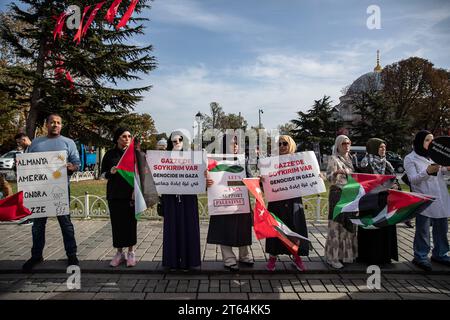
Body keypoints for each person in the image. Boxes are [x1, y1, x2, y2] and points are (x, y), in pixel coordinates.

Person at [22, 114, 80, 272]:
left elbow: (77, 163)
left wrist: (71, 167)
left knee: (66, 224)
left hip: (60, 190)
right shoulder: (36, 143)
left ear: (61, 125)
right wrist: (19, 165)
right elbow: (26, 163)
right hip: (40, 190)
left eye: (58, 123)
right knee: (38, 225)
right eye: (52, 122)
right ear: (46, 124)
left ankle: (72, 255)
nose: (55, 125)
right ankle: (36, 256)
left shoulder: (68, 143)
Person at [206, 134, 254, 272]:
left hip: (240, 200)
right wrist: (206, 182)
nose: (235, 146)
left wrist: (257, 182)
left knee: (243, 228)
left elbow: (250, 177)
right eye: (232, 143)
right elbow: (206, 179)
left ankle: (244, 255)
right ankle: (228, 259)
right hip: (222, 201)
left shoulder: (242, 160)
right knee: (224, 228)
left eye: (237, 143)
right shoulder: (213, 161)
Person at [404, 130, 450, 271]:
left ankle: (440, 254)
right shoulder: (410, 158)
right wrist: (427, 172)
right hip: (424, 198)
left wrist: (446, 169)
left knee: (442, 228)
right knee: (423, 230)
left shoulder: (436, 156)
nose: (431, 143)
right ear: (420, 142)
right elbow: (412, 180)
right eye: (427, 140)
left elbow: (442, 175)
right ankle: (421, 256)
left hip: (440, 196)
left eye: (432, 140)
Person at [264, 135, 308, 272]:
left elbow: (306, 177)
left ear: (291, 145)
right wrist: (262, 179)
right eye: (280, 144)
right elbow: (266, 181)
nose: (282, 146)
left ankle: (297, 258)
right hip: (277, 200)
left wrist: (316, 176)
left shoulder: (299, 161)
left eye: (285, 144)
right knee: (276, 229)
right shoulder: (270, 162)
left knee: (294, 229)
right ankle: (272, 258)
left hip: (294, 201)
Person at [161, 130, 201, 271]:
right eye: (174, 141)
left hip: (188, 197)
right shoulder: (164, 157)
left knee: (189, 227)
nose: (177, 143)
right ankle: (172, 261)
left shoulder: (192, 156)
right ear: (170, 142)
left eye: (179, 140)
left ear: (184, 141)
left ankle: (189, 261)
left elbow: (199, 173)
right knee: (172, 228)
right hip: (171, 198)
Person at [357, 138, 399, 265]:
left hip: (385, 202)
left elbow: (394, 179)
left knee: (385, 229)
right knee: (372, 229)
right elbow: (364, 184)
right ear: (373, 148)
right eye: (380, 147)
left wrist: (395, 186)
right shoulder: (365, 164)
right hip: (371, 203)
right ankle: (369, 257)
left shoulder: (387, 164)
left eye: (384, 147)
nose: (383, 149)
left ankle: (384, 257)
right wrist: (382, 186)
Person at [101, 128, 137, 267]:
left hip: (131, 196)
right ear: (117, 138)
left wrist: (136, 191)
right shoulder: (110, 155)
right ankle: (119, 253)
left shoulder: (134, 154)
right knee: (117, 225)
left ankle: (131, 253)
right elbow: (102, 174)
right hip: (115, 195)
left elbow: (141, 175)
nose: (127, 138)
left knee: (130, 225)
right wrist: (111, 172)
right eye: (123, 136)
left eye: (129, 136)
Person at [324, 135, 358, 269]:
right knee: (336, 226)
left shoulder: (352, 159)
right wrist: (336, 172)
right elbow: (328, 177)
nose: (347, 145)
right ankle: (333, 257)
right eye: (344, 143)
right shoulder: (334, 159)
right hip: (337, 195)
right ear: (338, 145)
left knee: (348, 225)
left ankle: (345, 255)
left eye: (348, 143)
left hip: (350, 195)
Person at [14, 133, 34, 226]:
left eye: (19, 142)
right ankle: (30, 217)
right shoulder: (26, 150)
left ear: (24, 140)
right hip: (29, 179)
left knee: (34, 198)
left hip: (35, 179)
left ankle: (32, 218)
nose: (19, 145)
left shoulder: (34, 148)